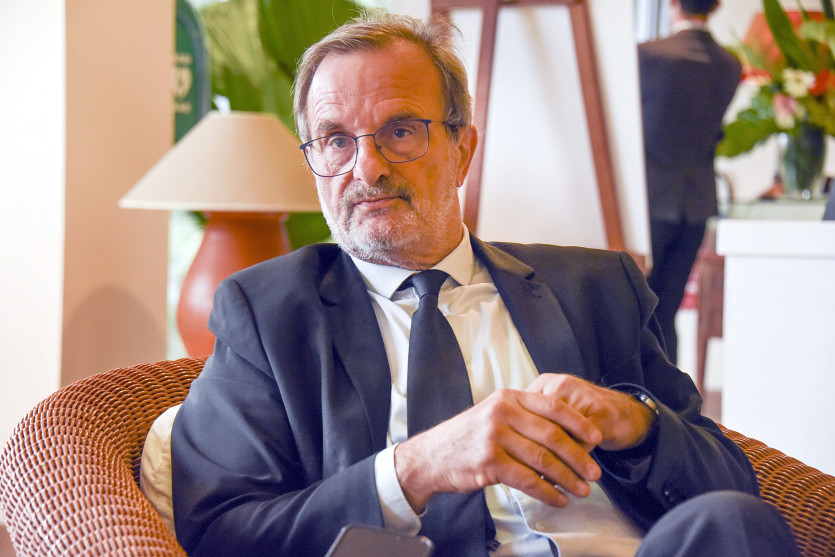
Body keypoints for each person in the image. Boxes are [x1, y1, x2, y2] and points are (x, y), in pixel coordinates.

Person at [171, 11, 797, 557]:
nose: (367, 167)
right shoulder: (268, 312)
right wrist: (415, 470)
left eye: (400, 131)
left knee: (733, 522)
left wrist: (636, 423)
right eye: (336, 139)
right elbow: (220, 531)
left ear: (461, 151)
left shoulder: (596, 288)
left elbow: (734, 485)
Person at [639, 0, 741, 365]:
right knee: (666, 313)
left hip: (649, 199)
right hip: (697, 203)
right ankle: (670, 394)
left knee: (636, 309)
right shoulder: (729, 64)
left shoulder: (648, 55)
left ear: (672, 4)